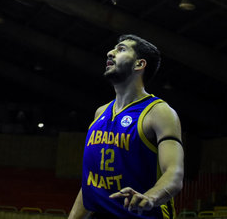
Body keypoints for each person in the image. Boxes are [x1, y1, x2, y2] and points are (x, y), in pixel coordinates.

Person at [68, 35, 184, 219]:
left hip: (144, 215)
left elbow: (174, 174)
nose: (110, 53)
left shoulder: (159, 112)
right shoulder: (100, 113)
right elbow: (91, 183)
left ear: (139, 64)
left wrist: (150, 197)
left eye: (121, 49)